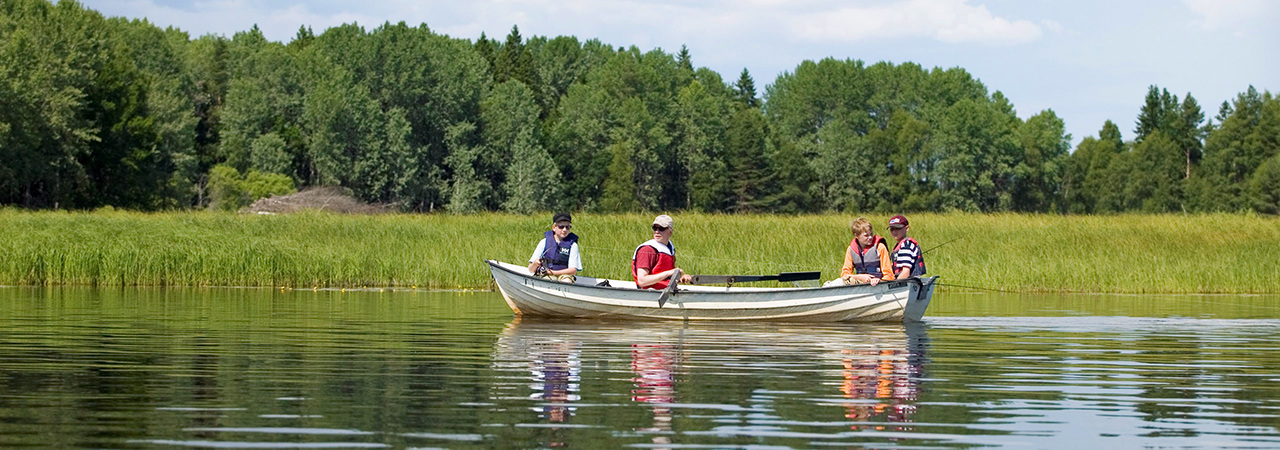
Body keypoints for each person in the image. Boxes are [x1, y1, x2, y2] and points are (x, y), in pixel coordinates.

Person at [825, 217, 895, 287]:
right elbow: (845, 274)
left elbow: (889, 274)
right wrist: (860, 277)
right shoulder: (851, 249)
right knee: (838, 282)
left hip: (878, 284)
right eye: (866, 235)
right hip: (861, 283)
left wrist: (879, 280)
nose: (870, 237)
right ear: (856, 235)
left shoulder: (880, 247)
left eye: (871, 234)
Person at [631, 215, 692, 289]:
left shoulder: (669, 249)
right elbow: (642, 281)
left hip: (664, 292)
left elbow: (665, 280)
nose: (657, 231)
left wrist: (680, 278)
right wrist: (669, 273)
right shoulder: (647, 249)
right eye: (654, 228)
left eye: (661, 228)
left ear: (670, 232)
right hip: (649, 294)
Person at [528, 212, 581, 283]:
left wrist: (553, 272)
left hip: (564, 275)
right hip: (546, 275)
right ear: (554, 227)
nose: (564, 230)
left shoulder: (573, 245)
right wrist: (535, 264)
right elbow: (530, 270)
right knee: (547, 281)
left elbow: (573, 270)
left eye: (567, 227)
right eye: (561, 227)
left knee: (567, 281)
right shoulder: (544, 242)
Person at [887, 215, 926, 279]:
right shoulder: (899, 245)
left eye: (898, 228)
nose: (894, 231)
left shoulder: (906, 246)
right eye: (892, 229)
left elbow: (906, 272)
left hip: (908, 283)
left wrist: (894, 284)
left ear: (907, 228)